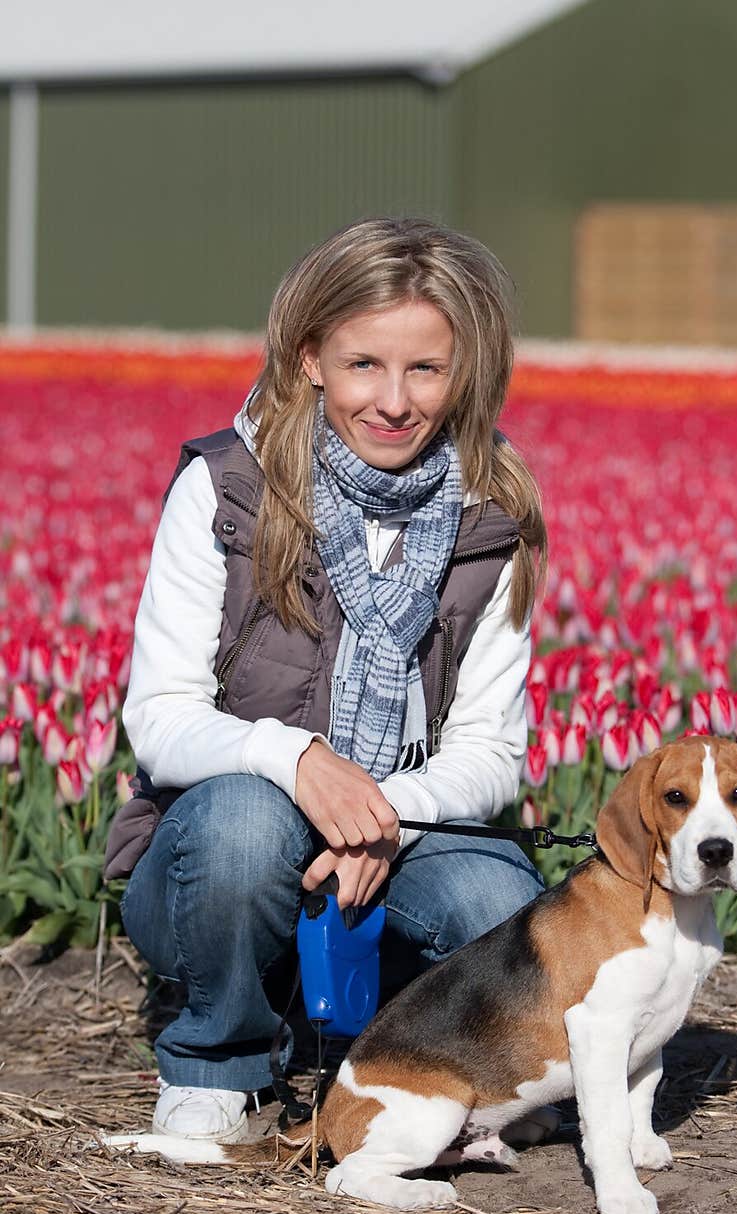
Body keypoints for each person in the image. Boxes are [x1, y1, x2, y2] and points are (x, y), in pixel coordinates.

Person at [104, 216, 549, 1144]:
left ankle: (403, 1054)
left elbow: (491, 752)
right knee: (237, 825)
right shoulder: (227, 489)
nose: (393, 400)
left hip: (405, 825)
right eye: (363, 366)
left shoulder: (491, 518)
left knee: (502, 907)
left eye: (425, 369)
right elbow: (161, 719)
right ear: (309, 358)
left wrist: (379, 814)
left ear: (464, 372)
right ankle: (217, 1061)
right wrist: (298, 760)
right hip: (220, 845)